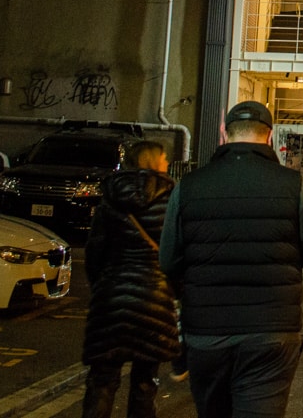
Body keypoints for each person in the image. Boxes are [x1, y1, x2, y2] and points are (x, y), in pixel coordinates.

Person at [159, 101, 303, 418]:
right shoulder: (293, 185)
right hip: (271, 332)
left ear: (223, 133)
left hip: (206, 333)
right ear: (269, 137)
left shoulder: (189, 187)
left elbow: (168, 261)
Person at [80, 140, 179, 418]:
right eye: (163, 158)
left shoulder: (110, 196)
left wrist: (101, 284)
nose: (167, 163)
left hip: (111, 295)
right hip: (155, 298)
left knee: (102, 379)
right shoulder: (171, 199)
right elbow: (177, 252)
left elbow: (95, 250)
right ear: (152, 162)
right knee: (145, 381)